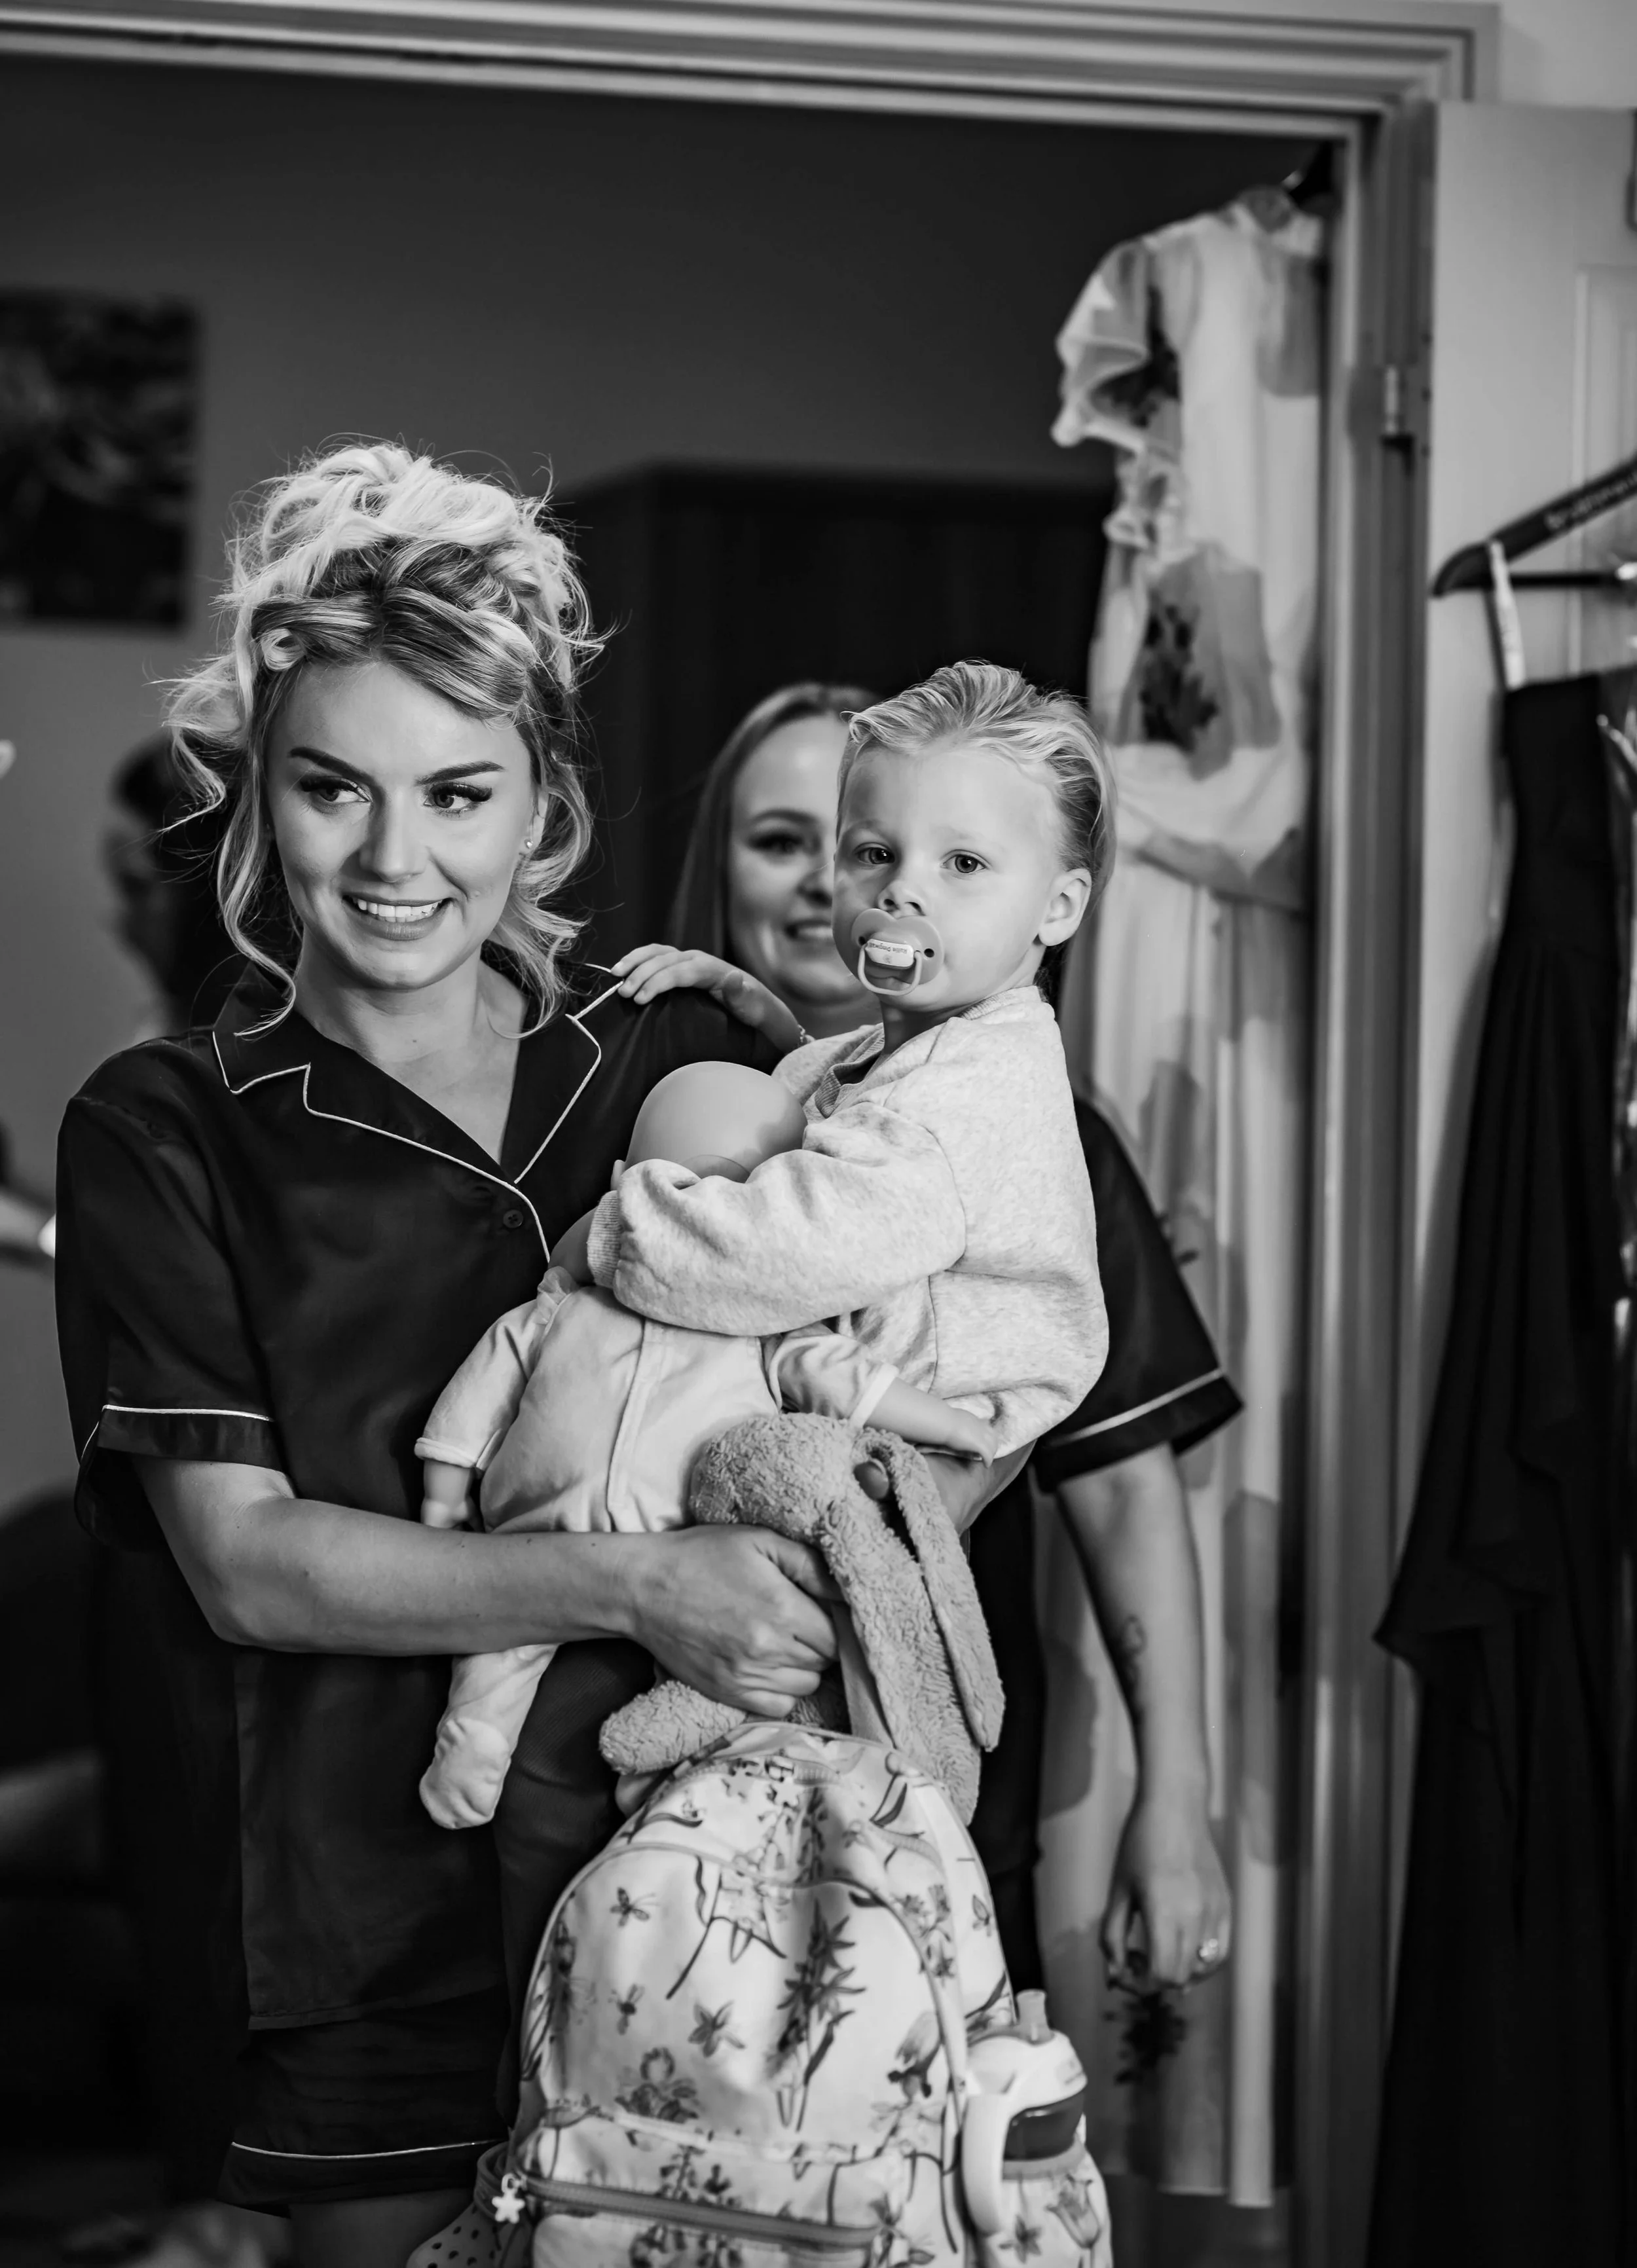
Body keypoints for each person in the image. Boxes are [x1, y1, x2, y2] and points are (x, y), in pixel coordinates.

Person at [53, 447, 1014, 2268]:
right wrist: (649, 1585)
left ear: (543, 812)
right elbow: (247, 1566)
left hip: (702, 1889)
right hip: (351, 1925)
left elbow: (891, 1393)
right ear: (256, 796)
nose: (394, 859)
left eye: (458, 792)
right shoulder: (169, 1129)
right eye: (330, 788)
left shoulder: (668, 1074)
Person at [665, 676, 1238, 1996]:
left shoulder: (1037, 1141)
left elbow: (1120, 1489)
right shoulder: (650, 1103)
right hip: (666, 1757)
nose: (849, 884)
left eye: (954, 855)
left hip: (932, 1765)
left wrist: (1175, 1796)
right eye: (797, 842)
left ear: (1041, 894)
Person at [415, 1058, 999, 1831]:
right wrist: (445, 1486)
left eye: (742, 1196)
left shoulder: (765, 1328)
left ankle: (670, 1778)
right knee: (499, 1650)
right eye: (682, 1186)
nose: (707, 1212)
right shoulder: (565, 1310)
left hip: (690, 1541)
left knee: (714, 1658)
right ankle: (473, 1741)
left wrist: (954, 1428)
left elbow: (846, 1377)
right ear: (625, 1180)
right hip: (531, 1530)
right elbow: (487, 1382)